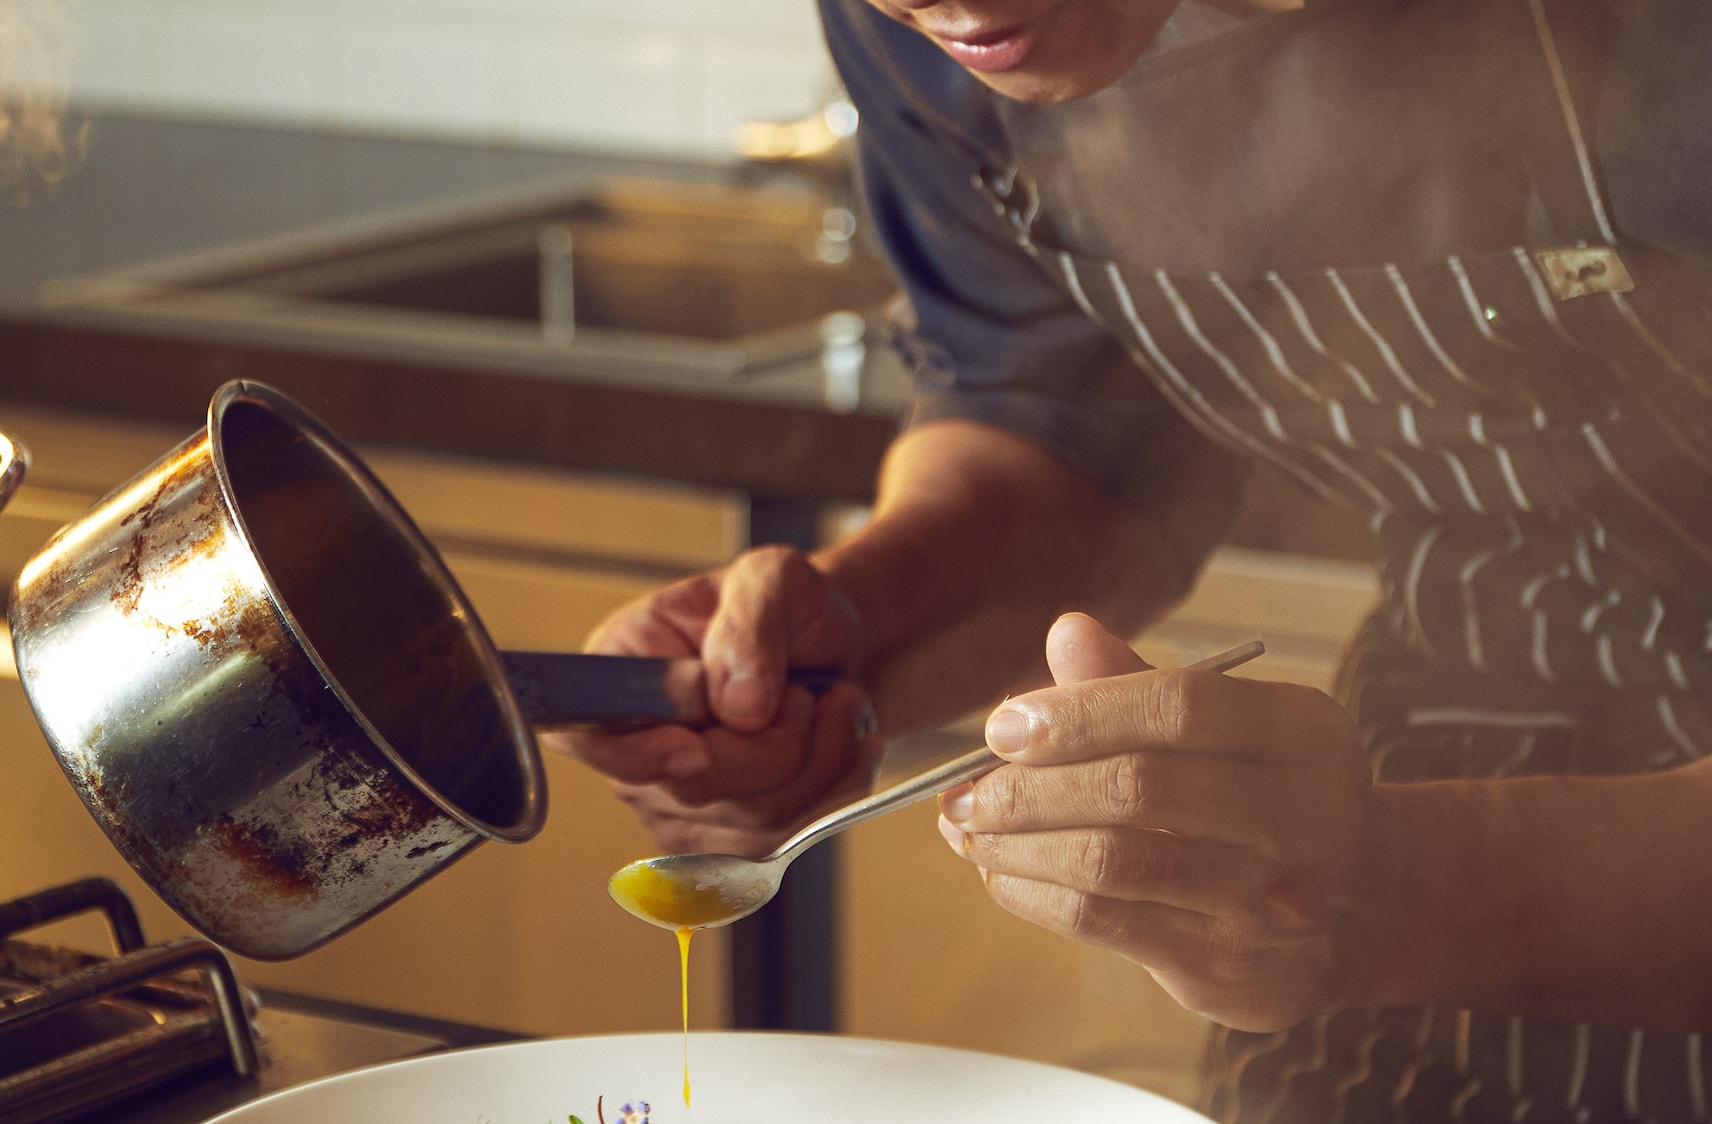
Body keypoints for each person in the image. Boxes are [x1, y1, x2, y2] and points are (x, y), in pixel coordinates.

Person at [551, 0, 1712, 1120]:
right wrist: (849, 634)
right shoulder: (940, 43)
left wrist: (1405, 890)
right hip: (1419, 783)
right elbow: (1069, 422)